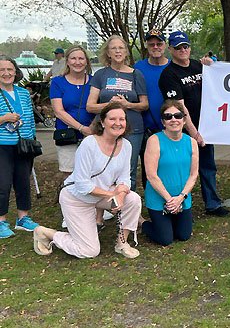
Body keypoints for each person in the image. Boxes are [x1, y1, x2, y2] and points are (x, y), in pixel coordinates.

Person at [33, 102, 142, 259]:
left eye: (122, 119)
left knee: (133, 199)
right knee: (89, 251)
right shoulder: (89, 144)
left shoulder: (126, 145)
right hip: (76, 198)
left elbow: (125, 177)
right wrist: (112, 193)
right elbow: (83, 185)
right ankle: (47, 233)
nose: (118, 123)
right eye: (112, 119)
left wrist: (121, 194)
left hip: (101, 196)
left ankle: (121, 243)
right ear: (102, 122)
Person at [159, 30, 229, 216]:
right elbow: (179, 108)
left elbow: (219, 85)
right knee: (181, 167)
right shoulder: (168, 75)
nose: (183, 50)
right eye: (178, 47)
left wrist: (211, 64)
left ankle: (212, 204)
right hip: (182, 130)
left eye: (186, 46)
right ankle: (176, 204)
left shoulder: (199, 66)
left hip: (207, 126)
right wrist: (194, 132)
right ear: (171, 49)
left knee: (208, 165)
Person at [87, 35, 148, 191]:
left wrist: (127, 104)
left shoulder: (136, 74)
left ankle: (127, 207)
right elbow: (90, 106)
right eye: (113, 48)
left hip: (133, 128)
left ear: (126, 52)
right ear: (108, 53)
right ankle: (106, 204)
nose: (118, 51)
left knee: (129, 169)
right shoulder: (101, 75)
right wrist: (110, 105)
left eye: (121, 48)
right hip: (107, 129)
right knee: (105, 167)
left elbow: (144, 104)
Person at [142, 100, 197, 245]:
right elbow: (151, 175)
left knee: (184, 235)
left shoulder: (191, 142)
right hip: (160, 198)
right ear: (163, 122)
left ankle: (171, 220)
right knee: (165, 239)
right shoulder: (154, 140)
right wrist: (169, 200)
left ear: (184, 120)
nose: (173, 119)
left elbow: (193, 175)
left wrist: (180, 198)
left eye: (178, 115)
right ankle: (141, 223)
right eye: (168, 116)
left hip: (181, 198)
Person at [0, 56, 39, 238]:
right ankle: (1, 221)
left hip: (24, 145)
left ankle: (23, 218)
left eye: (10, 69)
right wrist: (4, 119)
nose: (6, 73)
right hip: (2, 145)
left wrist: (31, 139)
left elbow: (30, 118)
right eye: (2, 70)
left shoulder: (23, 92)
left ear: (16, 72)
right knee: (3, 183)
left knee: (23, 181)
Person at [49, 46, 93, 180]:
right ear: (67, 61)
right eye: (73, 58)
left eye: (81, 58)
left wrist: (91, 129)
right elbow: (59, 111)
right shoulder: (57, 82)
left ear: (86, 61)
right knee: (69, 175)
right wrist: (81, 128)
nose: (77, 62)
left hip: (92, 134)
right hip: (67, 134)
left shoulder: (94, 81)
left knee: (92, 173)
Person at [134, 29, 170, 188]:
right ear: (147, 46)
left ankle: (172, 202)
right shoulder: (138, 68)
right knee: (149, 169)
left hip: (171, 126)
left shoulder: (173, 66)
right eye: (151, 44)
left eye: (159, 43)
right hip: (146, 127)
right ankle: (153, 205)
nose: (156, 47)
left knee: (170, 166)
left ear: (165, 45)